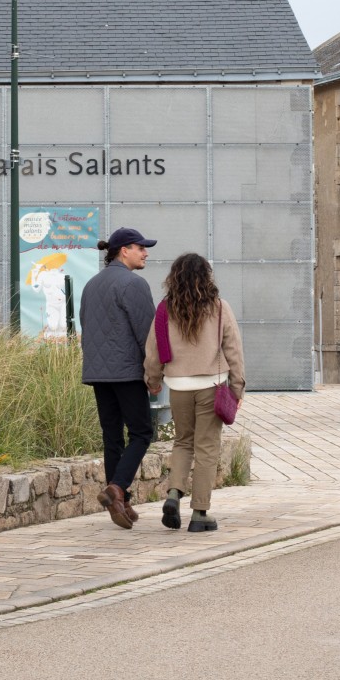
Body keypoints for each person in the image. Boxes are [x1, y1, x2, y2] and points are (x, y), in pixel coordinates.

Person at [144, 253, 246, 532]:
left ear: (174, 278)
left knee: (182, 442)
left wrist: (153, 381)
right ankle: (200, 512)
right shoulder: (220, 308)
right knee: (207, 448)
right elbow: (233, 351)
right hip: (212, 387)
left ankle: (174, 494)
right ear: (207, 277)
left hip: (178, 386)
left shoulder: (165, 309)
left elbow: (153, 351)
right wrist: (237, 387)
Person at [78, 226, 157, 528]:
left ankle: (120, 502)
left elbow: (87, 327)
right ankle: (117, 488)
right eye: (141, 248)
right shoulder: (134, 284)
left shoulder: (91, 284)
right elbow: (147, 335)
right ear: (124, 251)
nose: (146, 253)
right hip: (126, 372)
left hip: (98, 373)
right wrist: (154, 373)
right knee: (141, 433)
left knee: (112, 437)